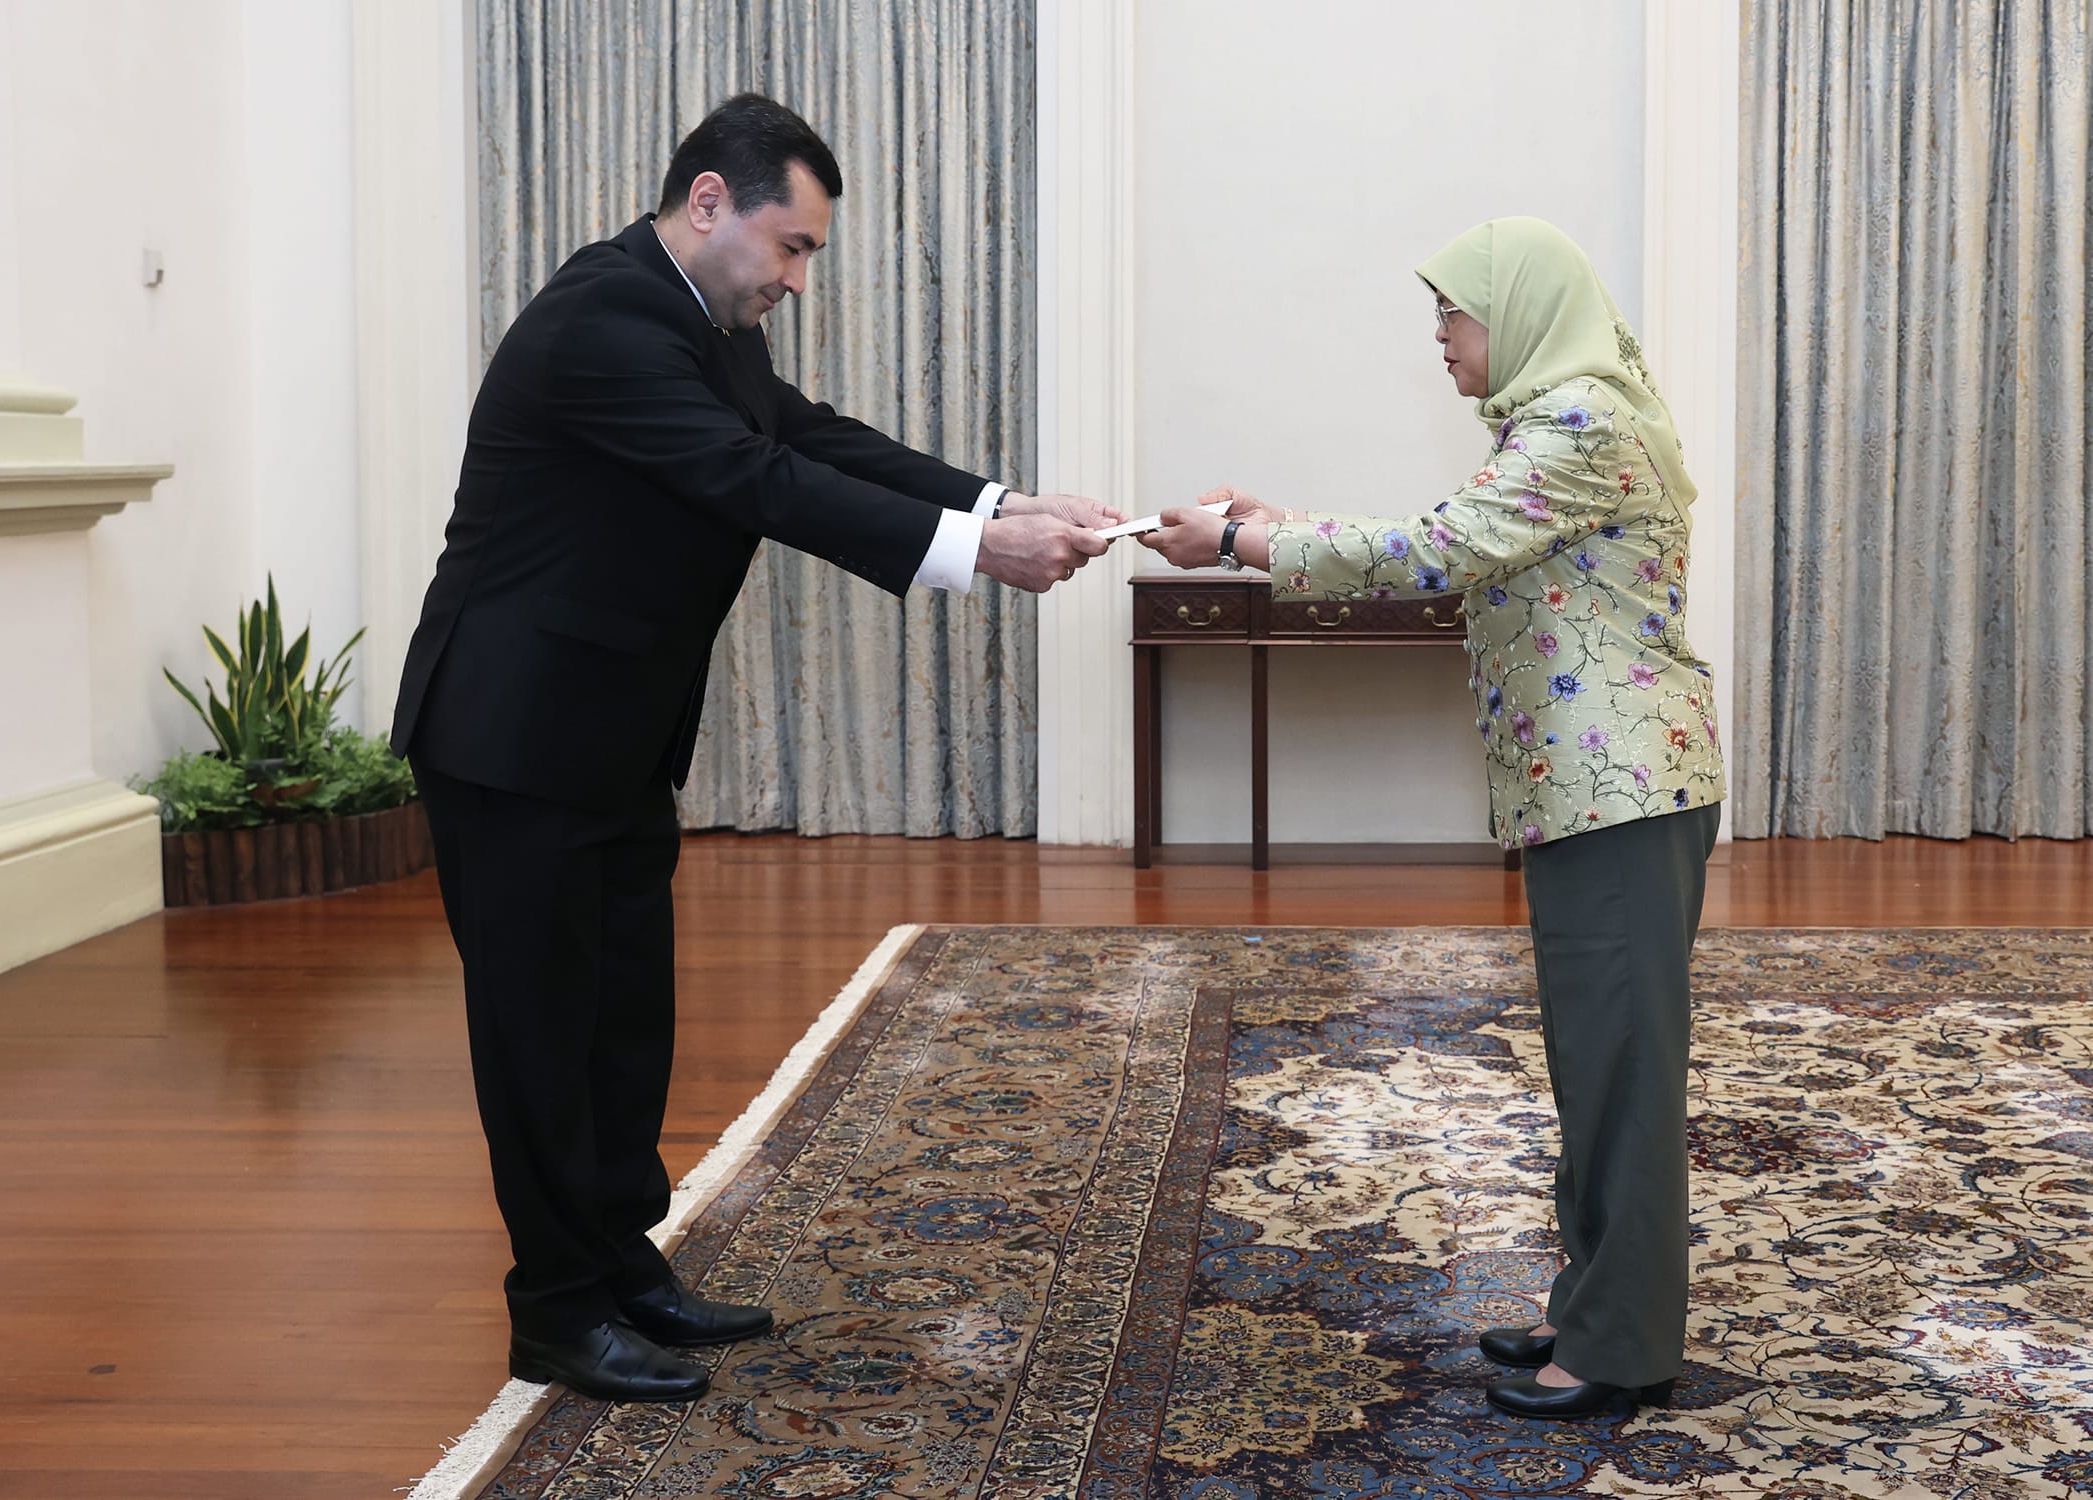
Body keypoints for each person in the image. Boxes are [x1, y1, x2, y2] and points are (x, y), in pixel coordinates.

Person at [391, 93, 1117, 1404]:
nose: (796, 277)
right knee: (542, 1033)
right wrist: (977, 552)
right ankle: (556, 1311)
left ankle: (622, 1265)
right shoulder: (605, 318)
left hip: (612, 730)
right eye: (792, 247)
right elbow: (757, 482)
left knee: (622, 1019)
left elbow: (813, 438)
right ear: (710, 201)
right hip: (512, 736)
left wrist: (1004, 501)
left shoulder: (705, 325)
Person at [1142, 216, 1726, 1419]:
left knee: (1621, 1070)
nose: (1442, 338)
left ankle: (1622, 1346)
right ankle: (1594, 1305)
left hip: (1620, 795)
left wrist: (1245, 542)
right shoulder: (1560, 419)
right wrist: (1277, 525)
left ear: (1518, 312)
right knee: (1596, 1062)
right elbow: (1455, 543)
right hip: (1597, 793)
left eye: (1454, 313)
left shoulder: (1578, 422)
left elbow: (1435, 549)